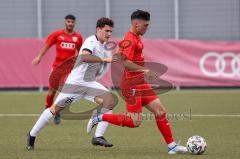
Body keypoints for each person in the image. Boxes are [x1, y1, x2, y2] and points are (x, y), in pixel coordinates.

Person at [87, 10, 188, 155]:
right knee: (134, 122)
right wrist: (145, 70)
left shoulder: (136, 37)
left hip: (141, 83)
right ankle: (99, 117)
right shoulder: (129, 39)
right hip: (131, 85)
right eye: (145, 26)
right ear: (136, 24)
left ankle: (172, 146)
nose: (147, 28)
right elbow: (126, 63)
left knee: (160, 111)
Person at [27, 17, 119, 150]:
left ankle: (98, 136)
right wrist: (105, 59)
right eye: (106, 31)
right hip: (75, 85)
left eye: (111, 31)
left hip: (89, 84)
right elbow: (84, 57)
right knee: (54, 110)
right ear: (98, 29)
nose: (109, 34)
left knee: (109, 102)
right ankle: (32, 135)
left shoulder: (104, 45)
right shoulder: (91, 41)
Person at [32, 14, 83, 124]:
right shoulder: (57, 34)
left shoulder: (78, 37)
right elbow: (47, 45)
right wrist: (39, 56)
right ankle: (47, 109)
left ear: (75, 23)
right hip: (56, 68)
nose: (70, 24)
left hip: (69, 70)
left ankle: (57, 111)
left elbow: (81, 53)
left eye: (72, 22)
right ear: (65, 22)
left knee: (63, 91)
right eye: (68, 21)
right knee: (52, 90)